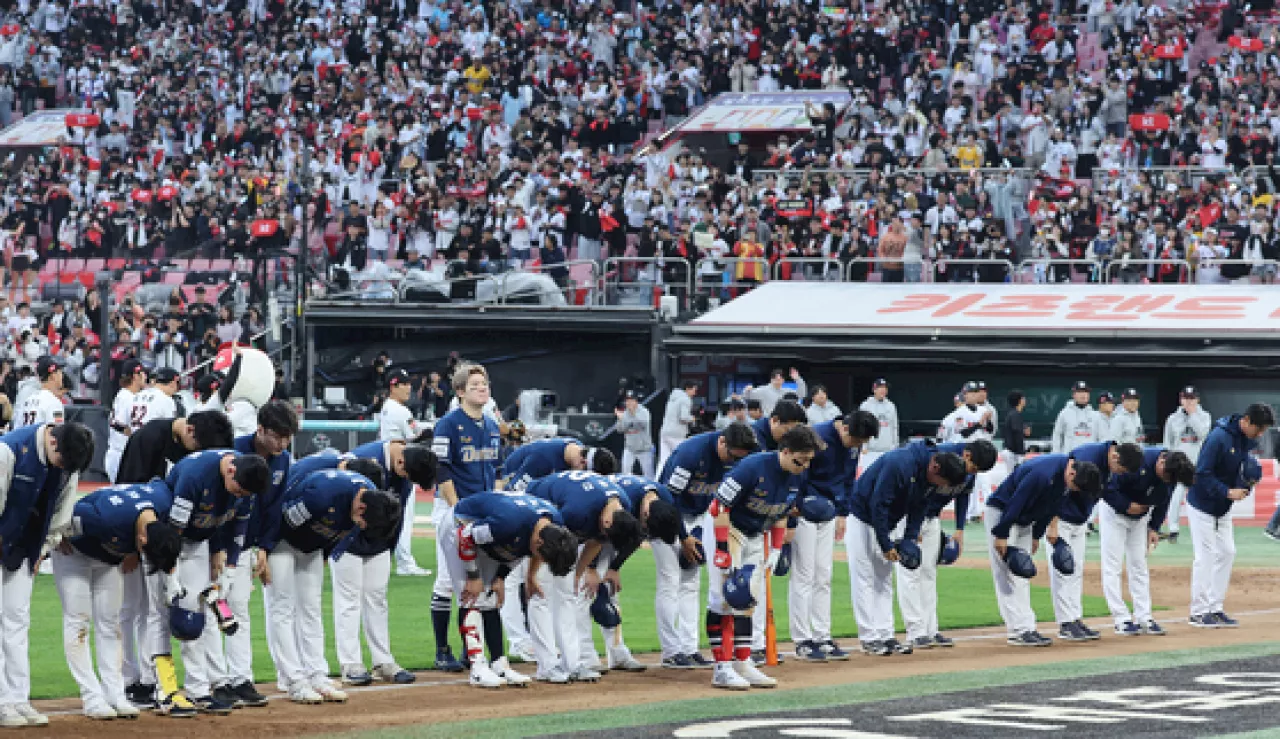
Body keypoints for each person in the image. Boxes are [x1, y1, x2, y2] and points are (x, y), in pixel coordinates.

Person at [261, 466, 400, 704]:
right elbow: (280, 520)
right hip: (281, 541)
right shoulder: (322, 496)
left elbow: (346, 535)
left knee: (311, 609)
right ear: (361, 508)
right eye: (363, 522)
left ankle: (316, 675)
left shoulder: (373, 499)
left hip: (312, 547)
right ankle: (292, 680)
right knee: (282, 608)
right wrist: (263, 549)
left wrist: (325, 555)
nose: (362, 527)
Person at [53, 479, 181, 720]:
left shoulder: (162, 506)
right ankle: (91, 697)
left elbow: (159, 484)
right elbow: (69, 510)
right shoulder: (103, 519)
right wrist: (56, 533)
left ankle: (115, 694)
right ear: (142, 539)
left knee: (111, 625)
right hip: (75, 555)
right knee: (78, 623)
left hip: (109, 561)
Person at [157, 450, 270, 715]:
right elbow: (173, 532)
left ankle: (199, 691)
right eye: (238, 491)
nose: (239, 497)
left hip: (198, 542)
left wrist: (230, 569)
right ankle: (159, 689)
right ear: (231, 471)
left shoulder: (245, 480)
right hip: (165, 542)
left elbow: (238, 529)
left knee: (195, 616)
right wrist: (171, 574)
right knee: (158, 616)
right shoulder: (195, 477)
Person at [707, 426, 820, 690]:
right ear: (785, 451)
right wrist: (722, 547)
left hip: (757, 534)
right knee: (724, 597)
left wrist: (778, 547)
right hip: (727, 527)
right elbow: (719, 506)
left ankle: (742, 662)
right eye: (799, 460)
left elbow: (782, 511)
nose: (803, 466)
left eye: (808, 462)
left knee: (747, 600)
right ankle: (721, 667)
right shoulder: (751, 467)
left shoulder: (796, 475)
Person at [0, 421, 94, 727]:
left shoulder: (68, 461)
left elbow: (61, 514)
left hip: (25, 548)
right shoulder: (8, 451)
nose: (65, 470)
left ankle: (17, 698)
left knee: (17, 622)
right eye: (63, 463)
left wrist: (42, 549)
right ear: (52, 441)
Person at [209, 401, 297, 710]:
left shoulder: (283, 460)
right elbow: (218, 502)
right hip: (218, 543)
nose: (283, 444)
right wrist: (217, 548)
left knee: (240, 611)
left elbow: (276, 507)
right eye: (279, 436)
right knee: (214, 610)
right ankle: (216, 681)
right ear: (261, 429)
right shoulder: (232, 450)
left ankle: (241, 679)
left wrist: (265, 547)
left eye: (288, 438)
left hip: (249, 544)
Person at [441, 491, 578, 689]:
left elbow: (521, 549)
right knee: (470, 595)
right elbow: (466, 537)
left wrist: (500, 577)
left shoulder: (552, 524)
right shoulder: (507, 524)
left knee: (489, 598)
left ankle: (498, 664)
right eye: (543, 556)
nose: (541, 560)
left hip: (490, 535)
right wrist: (473, 576)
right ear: (539, 543)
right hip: (458, 527)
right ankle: (477, 668)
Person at [846, 442, 968, 656]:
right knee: (864, 578)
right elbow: (879, 504)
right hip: (863, 517)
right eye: (943, 482)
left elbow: (920, 507)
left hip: (889, 521)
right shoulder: (900, 464)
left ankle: (886, 634)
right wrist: (885, 544)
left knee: (884, 580)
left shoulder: (929, 476)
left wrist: (910, 539)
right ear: (935, 468)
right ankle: (869, 637)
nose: (942, 488)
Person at [654, 422, 758, 669]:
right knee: (670, 580)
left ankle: (689, 648)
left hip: (699, 515)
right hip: (663, 516)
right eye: (732, 455)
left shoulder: (737, 456)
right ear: (722, 442)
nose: (733, 461)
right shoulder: (690, 454)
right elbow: (669, 500)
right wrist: (684, 537)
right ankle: (671, 651)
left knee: (691, 581)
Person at [335, 440, 438, 686]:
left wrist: (389, 549)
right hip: (347, 540)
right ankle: (351, 664)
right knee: (348, 601)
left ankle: (383, 661)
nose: (410, 482)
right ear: (400, 462)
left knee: (377, 600)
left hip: (379, 544)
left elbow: (398, 511)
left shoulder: (406, 465)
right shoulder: (361, 459)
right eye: (410, 477)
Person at [526, 471, 645, 681]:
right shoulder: (576, 511)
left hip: (561, 524)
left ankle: (572, 663)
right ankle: (547, 666)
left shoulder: (620, 507)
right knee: (541, 592)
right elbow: (544, 539)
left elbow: (596, 541)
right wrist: (531, 575)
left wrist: (578, 574)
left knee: (567, 594)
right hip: (535, 511)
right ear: (607, 521)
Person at [985, 454, 1102, 647]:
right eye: (1077, 487)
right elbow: (1016, 502)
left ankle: (1026, 627)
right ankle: (1018, 630)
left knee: (1023, 572)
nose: (1076, 491)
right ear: (1072, 473)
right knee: (1006, 573)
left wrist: (1035, 535)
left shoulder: (1065, 477)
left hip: (1025, 519)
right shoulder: (1042, 473)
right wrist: (1001, 534)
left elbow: (1051, 507)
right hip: (1002, 513)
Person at [429, 363, 501, 672]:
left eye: (484, 384)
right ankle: (441, 649)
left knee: (479, 582)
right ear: (460, 392)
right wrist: (458, 510)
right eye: (474, 385)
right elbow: (440, 468)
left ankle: (469, 649)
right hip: (453, 509)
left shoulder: (492, 425)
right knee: (449, 581)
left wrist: (496, 502)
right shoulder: (448, 424)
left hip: (483, 512)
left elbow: (498, 469)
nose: (482, 388)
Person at [791, 412, 879, 662]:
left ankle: (822, 635)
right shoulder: (816, 436)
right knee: (804, 574)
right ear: (845, 427)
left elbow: (849, 479)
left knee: (824, 575)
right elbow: (798, 473)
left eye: (863, 442)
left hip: (829, 510)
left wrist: (843, 512)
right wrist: (796, 507)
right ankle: (802, 640)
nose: (858, 445)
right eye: (856, 439)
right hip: (805, 510)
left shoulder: (853, 444)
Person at [898, 440, 999, 650]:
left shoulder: (968, 471)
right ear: (967, 455)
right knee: (910, 572)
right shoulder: (940, 458)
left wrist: (959, 529)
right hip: (908, 516)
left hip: (932, 518)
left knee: (929, 573)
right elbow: (912, 490)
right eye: (974, 467)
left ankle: (930, 629)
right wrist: (911, 528)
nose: (973, 473)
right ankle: (915, 632)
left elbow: (963, 494)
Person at [1187, 404, 1274, 628]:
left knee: (1227, 552)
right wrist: (1227, 491)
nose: (1261, 434)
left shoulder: (1246, 439)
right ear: (1246, 421)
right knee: (1204, 557)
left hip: (1222, 507)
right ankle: (1198, 612)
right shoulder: (1218, 437)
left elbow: (1243, 468)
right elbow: (1202, 473)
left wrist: (1247, 484)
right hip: (1202, 504)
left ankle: (1215, 608)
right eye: (1260, 428)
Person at [1051, 441, 1144, 642]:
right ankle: (1065, 623)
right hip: (1061, 520)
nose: (1120, 473)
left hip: (1079, 520)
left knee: (1075, 570)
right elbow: (1060, 488)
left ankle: (1075, 619)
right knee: (1062, 570)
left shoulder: (1107, 463)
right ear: (1115, 457)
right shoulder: (1086, 456)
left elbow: (1104, 492)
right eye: (1122, 469)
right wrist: (1052, 523)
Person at [1100, 447, 1194, 635]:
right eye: (1167, 477)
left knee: (1139, 565)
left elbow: (1164, 500)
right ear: (1161, 462)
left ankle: (1144, 617)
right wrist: (1126, 506)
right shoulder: (1137, 462)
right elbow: (1107, 488)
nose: (1168, 481)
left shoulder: (1171, 473)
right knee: (1113, 566)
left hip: (1140, 519)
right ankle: (1121, 619)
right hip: (1114, 516)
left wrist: (1154, 527)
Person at [379, 368, 429, 577]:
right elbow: (416, 434)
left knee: (393, 515)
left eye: (409, 383)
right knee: (404, 516)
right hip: (400, 465)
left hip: (389, 463)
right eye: (404, 384)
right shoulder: (400, 411)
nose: (409, 387)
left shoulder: (388, 407)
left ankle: (391, 559)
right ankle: (404, 562)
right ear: (393, 386)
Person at [1162, 386, 1212, 543]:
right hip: (1179, 465)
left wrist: (1192, 415)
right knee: (1175, 496)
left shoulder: (1205, 416)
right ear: (1181, 399)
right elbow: (1168, 442)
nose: (1189, 402)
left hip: (1199, 462)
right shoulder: (1172, 418)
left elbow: (1202, 433)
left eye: (1192, 398)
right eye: (1186, 398)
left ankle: (1205, 527)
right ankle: (1173, 529)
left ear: (1197, 400)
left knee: (1203, 496)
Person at [502, 437, 618, 491]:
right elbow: (512, 490)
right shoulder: (542, 460)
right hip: (513, 476)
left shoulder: (576, 447)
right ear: (583, 462)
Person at [106, 360, 147, 482]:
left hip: (122, 454)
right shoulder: (127, 397)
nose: (145, 377)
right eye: (143, 373)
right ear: (135, 376)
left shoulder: (128, 395)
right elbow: (117, 423)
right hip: (120, 454)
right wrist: (136, 435)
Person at [1052, 381, 1105, 454]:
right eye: (1080, 392)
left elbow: (1102, 439)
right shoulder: (1064, 413)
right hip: (1070, 458)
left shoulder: (1096, 415)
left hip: (1090, 459)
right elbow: (1057, 436)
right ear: (1073, 395)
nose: (1083, 395)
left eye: (1086, 392)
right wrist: (1056, 456)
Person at [13, 356, 65, 429]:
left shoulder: (28, 399)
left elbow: (17, 429)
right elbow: (56, 433)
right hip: (40, 440)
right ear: (53, 376)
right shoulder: (54, 402)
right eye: (60, 372)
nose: (62, 375)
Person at [659, 380, 698, 471]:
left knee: (664, 460)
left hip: (665, 432)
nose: (695, 393)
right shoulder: (685, 399)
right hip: (677, 434)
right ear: (688, 389)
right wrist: (693, 418)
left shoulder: (672, 398)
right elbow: (683, 417)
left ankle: (659, 481)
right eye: (694, 390)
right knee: (682, 458)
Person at [615, 391, 655, 478]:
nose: (629, 403)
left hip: (644, 449)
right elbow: (619, 429)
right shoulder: (625, 413)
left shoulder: (644, 411)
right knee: (624, 474)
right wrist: (621, 419)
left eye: (631, 400)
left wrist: (631, 416)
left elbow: (642, 425)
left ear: (636, 401)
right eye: (627, 401)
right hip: (630, 448)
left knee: (649, 476)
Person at [858, 379, 899, 458]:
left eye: (885, 388)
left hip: (888, 450)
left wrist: (895, 446)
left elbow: (894, 427)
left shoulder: (891, 406)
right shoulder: (866, 405)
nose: (883, 390)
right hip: (870, 450)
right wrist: (863, 446)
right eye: (881, 387)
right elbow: (861, 427)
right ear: (874, 389)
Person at [1001, 390, 1029, 465]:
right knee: (1014, 475)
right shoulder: (1015, 415)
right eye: (1023, 398)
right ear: (1020, 400)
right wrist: (1021, 454)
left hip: (1012, 452)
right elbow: (1017, 434)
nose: (1025, 400)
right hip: (1012, 453)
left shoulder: (1013, 414)